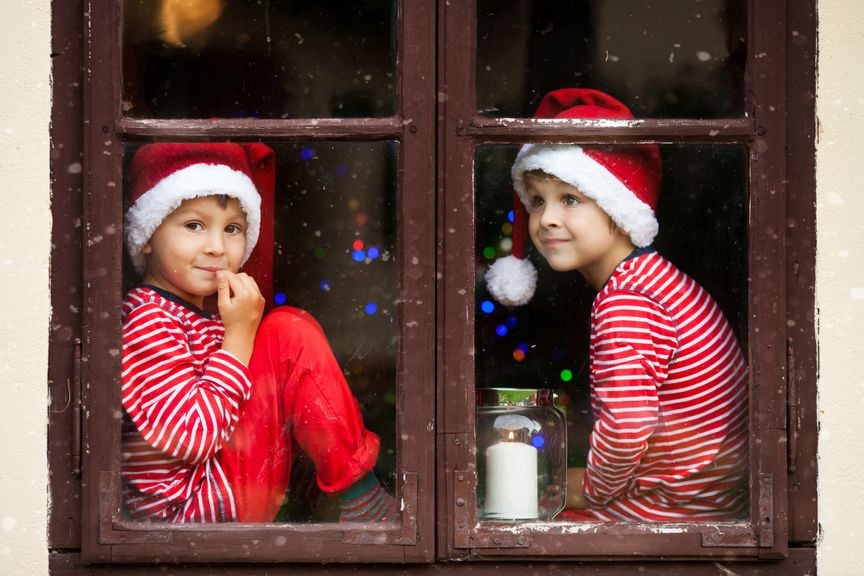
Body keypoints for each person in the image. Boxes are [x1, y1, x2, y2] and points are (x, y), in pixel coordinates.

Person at [485, 88, 749, 522]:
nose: (546, 217)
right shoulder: (655, 280)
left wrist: (591, 489)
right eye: (537, 200)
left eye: (570, 198)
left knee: (517, 534)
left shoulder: (628, 302)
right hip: (704, 498)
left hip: (676, 513)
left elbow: (627, 428)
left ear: (617, 206)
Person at [120, 142, 395, 523]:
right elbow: (192, 438)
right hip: (192, 512)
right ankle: (361, 501)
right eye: (193, 225)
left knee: (285, 338)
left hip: (218, 493)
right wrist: (239, 337)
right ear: (148, 235)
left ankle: (327, 500)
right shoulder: (148, 318)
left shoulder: (201, 315)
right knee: (286, 334)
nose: (217, 247)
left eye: (232, 228)